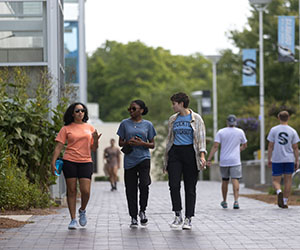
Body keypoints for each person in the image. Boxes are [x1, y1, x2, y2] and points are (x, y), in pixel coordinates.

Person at [51, 102, 101, 230]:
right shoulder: (66, 128)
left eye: (83, 110)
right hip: (70, 161)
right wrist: (53, 162)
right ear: (72, 113)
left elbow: (94, 148)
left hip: (86, 161)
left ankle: (82, 210)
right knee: (71, 190)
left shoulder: (90, 128)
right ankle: (73, 219)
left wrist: (95, 139)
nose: (80, 113)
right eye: (78, 110)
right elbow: (59, 147)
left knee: (86, 191)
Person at [164, 92, 206, 230]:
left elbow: (200, 138)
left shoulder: (196, 118)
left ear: (181, 104)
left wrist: (202, 156)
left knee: (190, 187)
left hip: (190, 153)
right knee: (174, 185)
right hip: (175, 153)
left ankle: (188, 218)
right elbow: (169, 139)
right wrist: (166, 160)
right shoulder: (172, 119)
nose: (172, 106)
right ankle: (178, 214)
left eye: (174, 103)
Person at [117, 100, 156, 228]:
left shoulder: (148, 125)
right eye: (130, 109)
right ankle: (133, 216)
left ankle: (142, 211)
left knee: (144, 185)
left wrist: (142, 144)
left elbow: (152, 144)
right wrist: (129, 142)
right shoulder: (124, 124)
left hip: (144, 158)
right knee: (130, 188)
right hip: (129, 160)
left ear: (142, 110)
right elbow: (120, 143)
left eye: (134, 109)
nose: (131, 111)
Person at [207, 114, 247, 210]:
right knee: (235, 179)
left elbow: (215, 146)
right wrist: (239, 150)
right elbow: (245, 145)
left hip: (224, 160)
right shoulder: (240, 132)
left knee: (225, 180)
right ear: (235, 122)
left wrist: (209, 159)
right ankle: (236, 201)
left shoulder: (221, 132)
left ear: (227, 122)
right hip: (235, 160)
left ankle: (224, 201)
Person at [267, 110, 299, 208]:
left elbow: (270, 146)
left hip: (277, 158)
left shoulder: (274, 130)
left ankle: (278, 191)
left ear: (278, 117)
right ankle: (285, 201)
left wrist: (269, 158)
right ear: (288, 118)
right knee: (288, 180)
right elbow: (295, 147)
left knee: (275, 180)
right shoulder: (292, 131)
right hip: (289, 159)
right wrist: (297, 160)